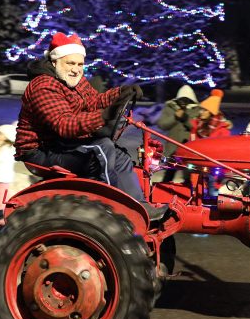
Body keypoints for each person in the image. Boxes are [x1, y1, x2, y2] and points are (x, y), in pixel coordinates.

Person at [14, 32, 167, 220]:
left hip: (60, 143)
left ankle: (139, 207)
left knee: (119, 154)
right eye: (70, 63)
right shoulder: (44, 85)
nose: (76, 69)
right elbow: (64, 124)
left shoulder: (75, 81)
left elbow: (94, 100)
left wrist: (121, 93)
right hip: (41, 149)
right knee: (101, 149)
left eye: (80, 64)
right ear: (55, 62)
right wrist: (104, 116)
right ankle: (114, 213)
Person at [156, 85, 200, 182]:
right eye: (182, 99)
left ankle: (188, 194)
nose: (184, 102)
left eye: (187, 100)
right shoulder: (170, 107)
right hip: (173, 147)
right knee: (169, 174)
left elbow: (197, 127)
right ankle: (164, 193)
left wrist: (185, 118)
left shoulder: (196, 110)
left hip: (189, 148)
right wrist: (175, 117)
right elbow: (162, 124)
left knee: (189, 175)